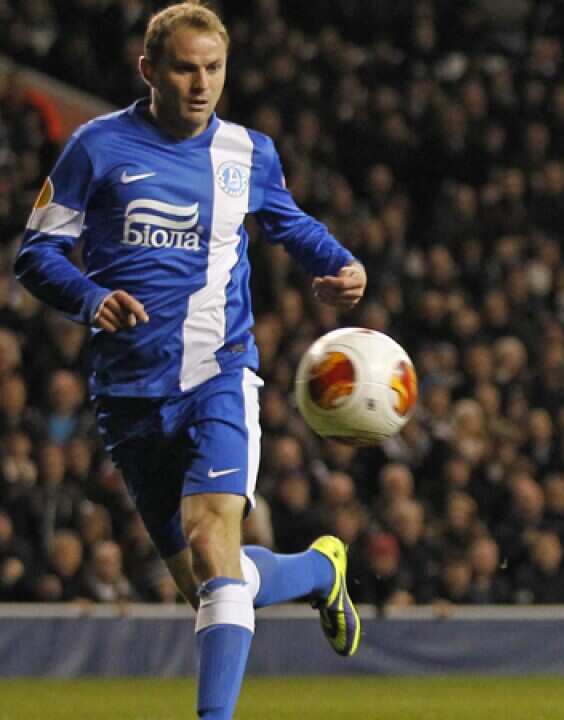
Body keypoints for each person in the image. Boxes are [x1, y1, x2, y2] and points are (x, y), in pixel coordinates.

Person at [15, 4, 365, 718]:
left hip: (218, 375)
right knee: (211, 581)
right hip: (128, 396)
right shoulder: (96, 147)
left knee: (214, 546)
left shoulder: (247, 152)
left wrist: (340, 263)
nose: (201, 83)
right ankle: (318, 570)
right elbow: (35, 254)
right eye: (184, 67)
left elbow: (286, 221)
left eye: (213, 68)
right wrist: (89, 299)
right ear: (149, 71)